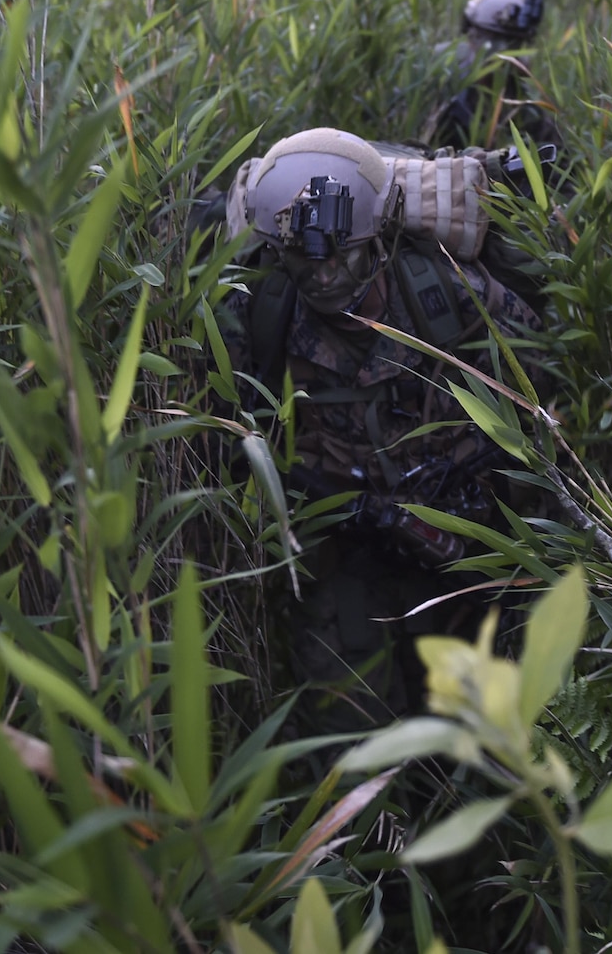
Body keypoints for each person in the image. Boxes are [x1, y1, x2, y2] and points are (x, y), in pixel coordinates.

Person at [210, 128, 548, 733]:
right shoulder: (264, 310)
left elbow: (537, 385)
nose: (321, 273)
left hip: (469, 541)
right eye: (302, 258)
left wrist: (495, 496)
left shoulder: (442, 292)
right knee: (349, 724)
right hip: (350, 543)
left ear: (379, 242)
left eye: (341, 253)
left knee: (489, 723)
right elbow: (229, 427)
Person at [421, 0, 564, 152]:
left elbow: (553, 152)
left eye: (513, 44)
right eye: (492, 40)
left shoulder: (525, 101)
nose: (501, 53)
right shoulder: (443, 72)